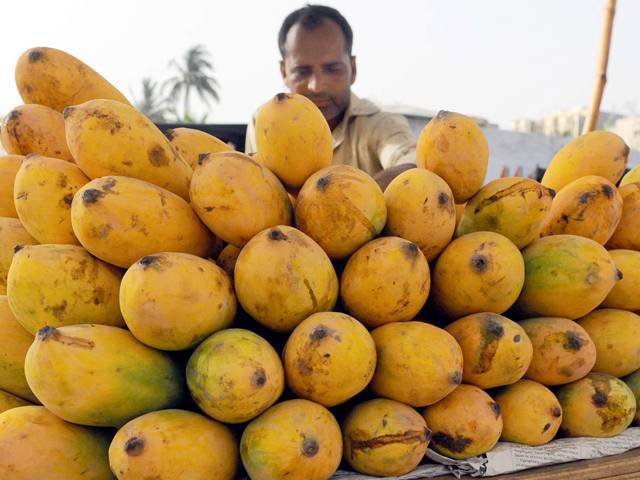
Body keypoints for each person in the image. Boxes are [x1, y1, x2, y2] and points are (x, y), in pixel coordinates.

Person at [245, 4, 416, 190]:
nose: (316, 86)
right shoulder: (263, 121)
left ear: (353, 69)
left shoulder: (381, 124)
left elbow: (412, 163)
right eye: (302, 71)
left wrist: (351, 197)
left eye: (332, 69)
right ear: (283, 72)